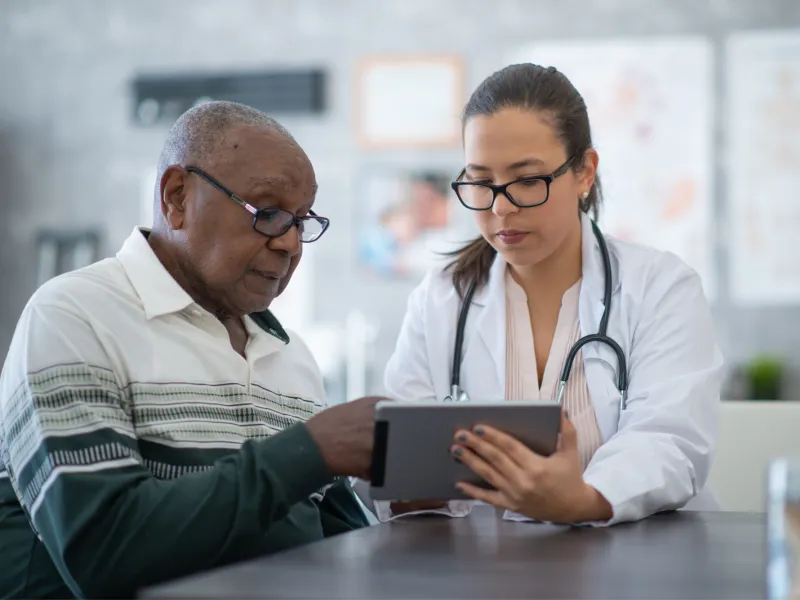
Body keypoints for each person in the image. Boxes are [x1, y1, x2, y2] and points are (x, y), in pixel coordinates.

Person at [0, 101, 383, 599]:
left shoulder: (289, 357)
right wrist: (310, 451)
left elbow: (334, 537)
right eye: (267, 213)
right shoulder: (76, 315)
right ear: (177, 196)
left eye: (301, 221)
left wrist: (412, 507)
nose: (290, 244)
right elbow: (102, 553)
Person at [377, 64, 723, 525]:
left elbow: (670, 440)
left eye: (527, 180)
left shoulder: (660, 287)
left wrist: (582, 498)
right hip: (487, 573)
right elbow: (401, 456)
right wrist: (407, 488)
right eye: (481, 182)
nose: (501, 207)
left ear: (584, 172)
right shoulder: (441, 297)